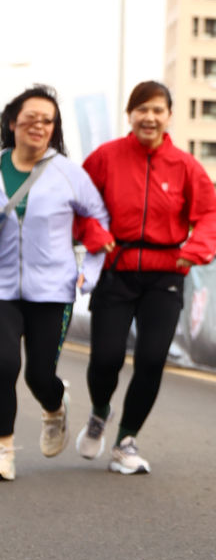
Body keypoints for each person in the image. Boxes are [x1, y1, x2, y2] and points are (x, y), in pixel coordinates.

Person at [77, 81, 216, 474]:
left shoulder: (186, 166)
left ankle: (126, 440)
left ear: (169, 116)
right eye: (142, 109)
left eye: (158, 109)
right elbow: (78, 206)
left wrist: (194, 250)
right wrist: (94, 235)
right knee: (106, 359)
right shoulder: (105, 157)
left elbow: (210, 215)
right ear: (130, 115)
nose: (150, 117)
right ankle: (99, 411)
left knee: (152, 359)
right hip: (117, 270)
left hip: (166, 276)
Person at [0, 86, 111, 481]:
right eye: (31, 118)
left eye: (48, 120)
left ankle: (54, 407)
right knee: (3, 364)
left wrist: (90, 272)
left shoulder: (67, 173)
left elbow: (99, 223)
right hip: (2, 289)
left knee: (38, 375)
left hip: (52, 290)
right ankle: (4, 447)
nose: (39, 126)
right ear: (12, 122)